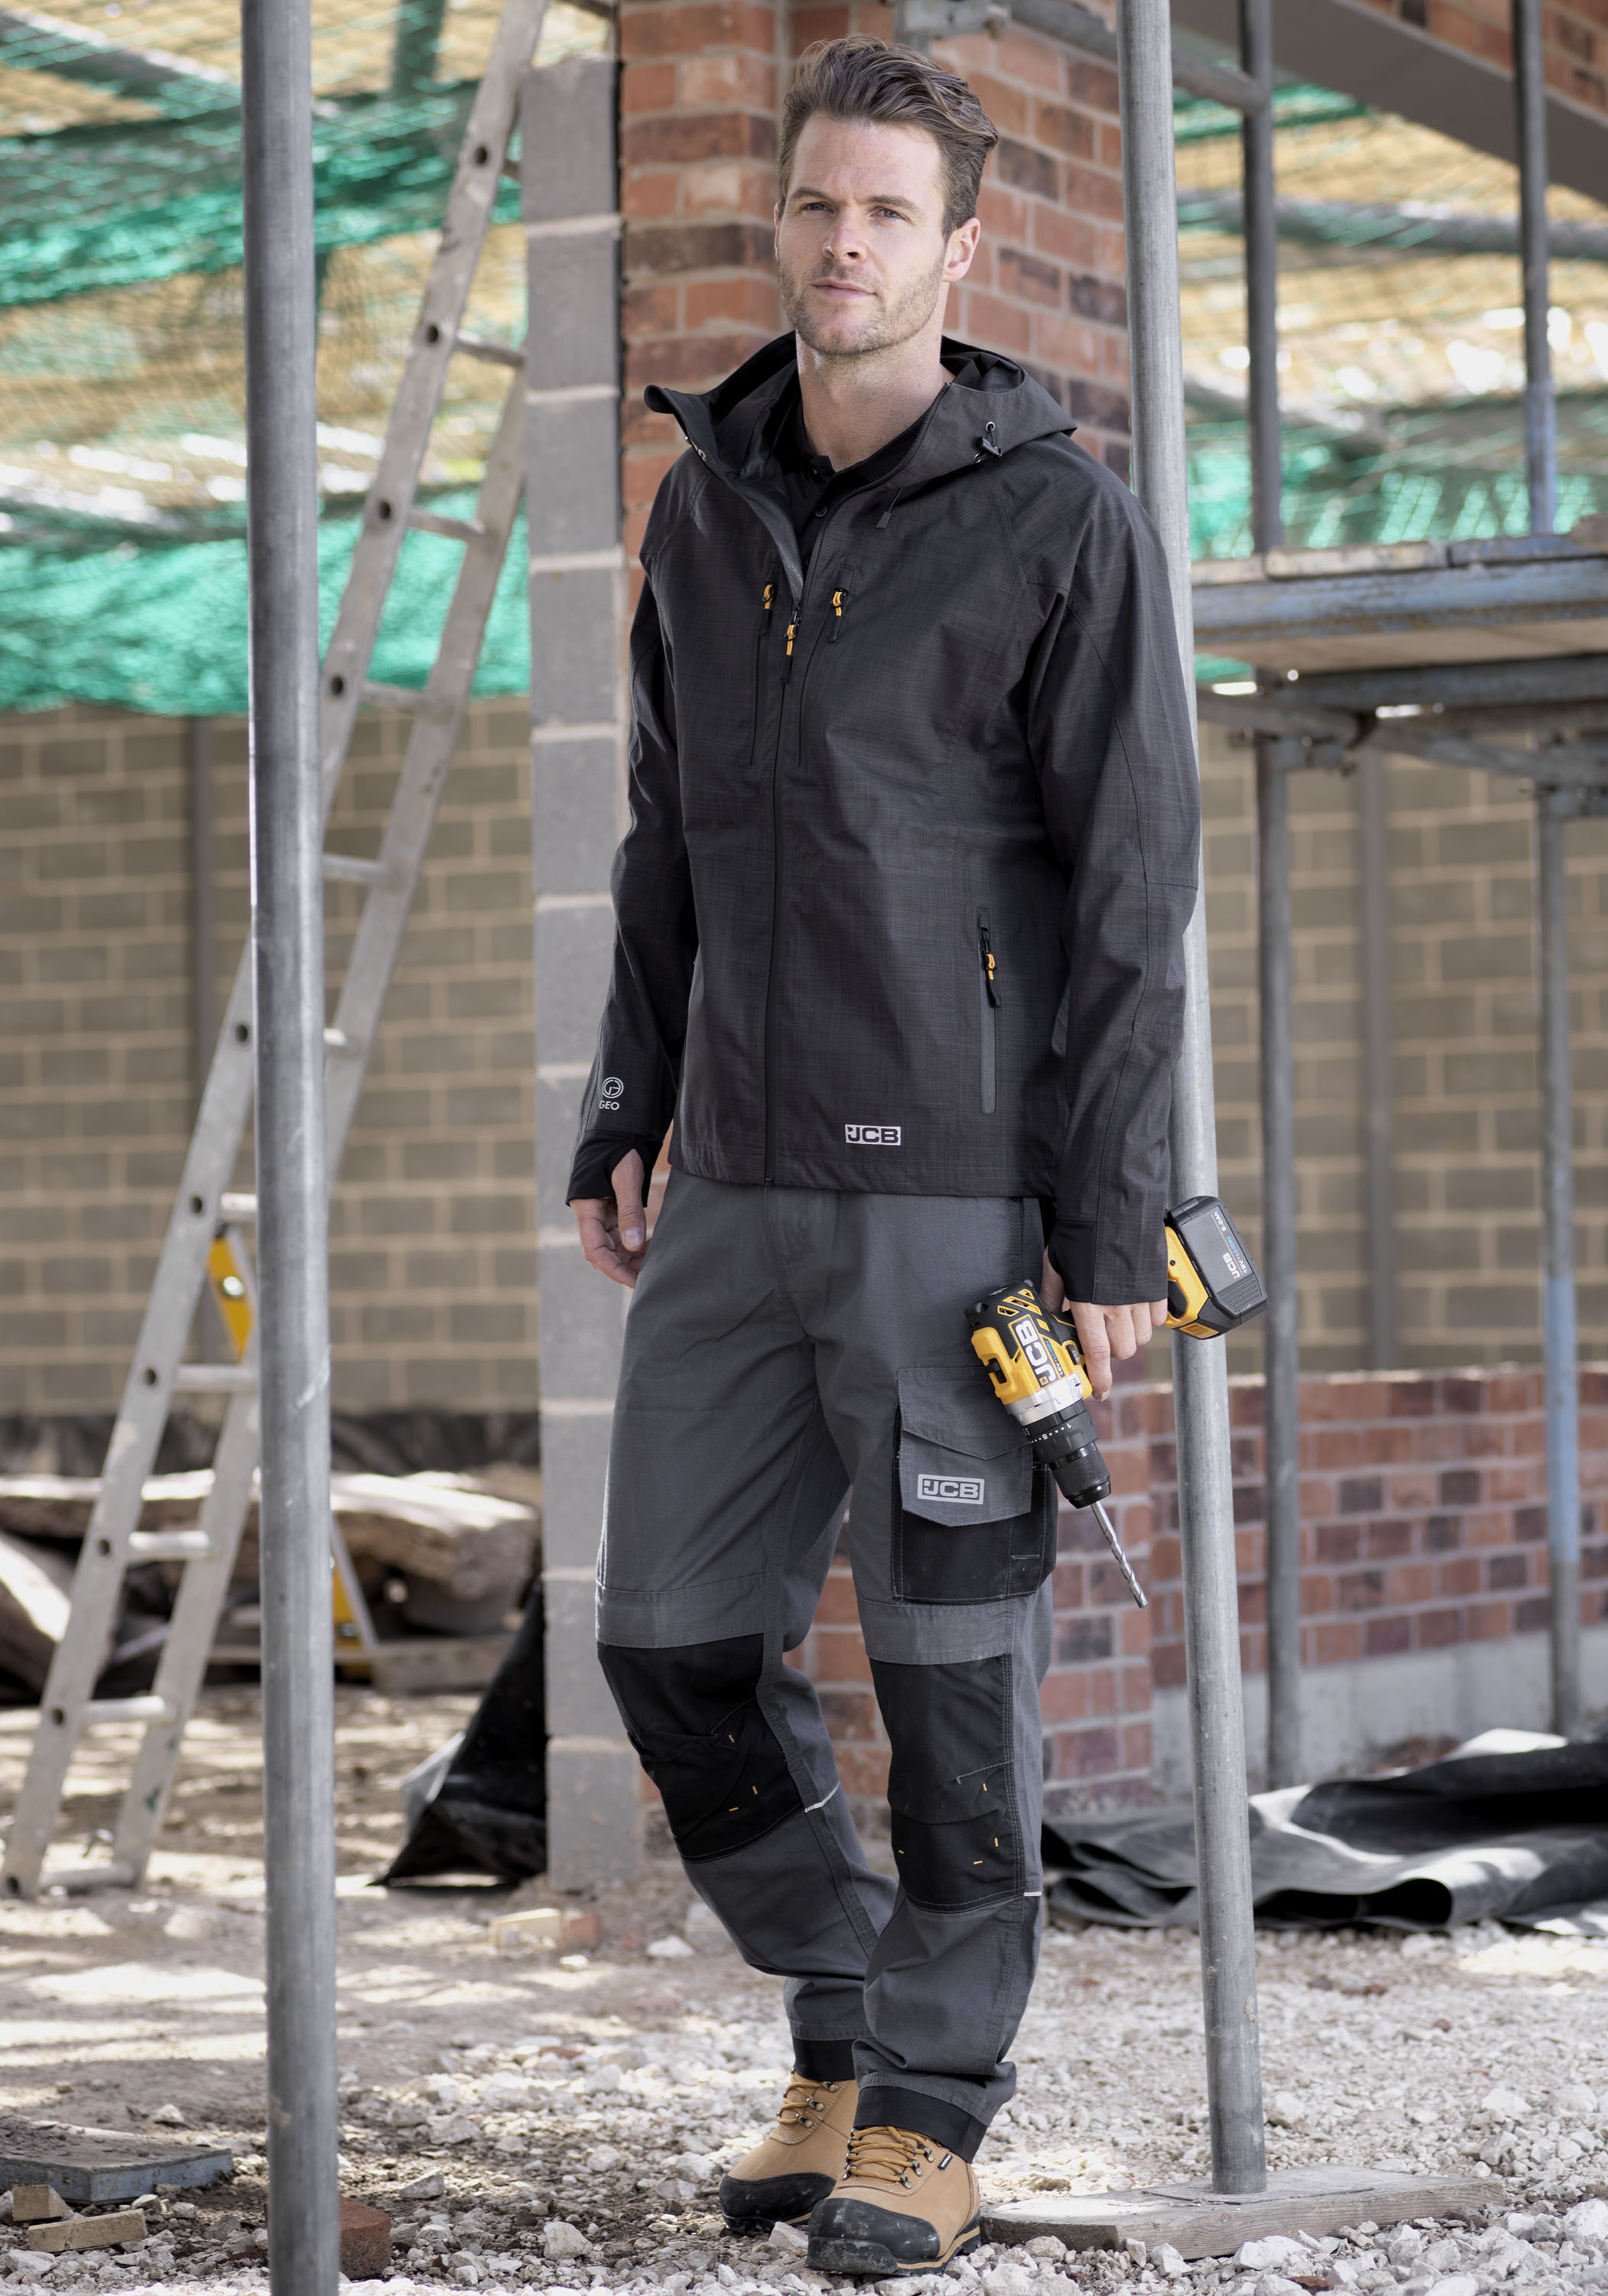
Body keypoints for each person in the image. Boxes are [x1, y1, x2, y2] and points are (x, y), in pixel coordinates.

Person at [568, 34, 1200, 2279]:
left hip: (953, 1187)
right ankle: (841, 2007)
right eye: (819, 204)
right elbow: (667, 840)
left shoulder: (1057, 522)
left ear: (961, 249)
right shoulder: (703, 505)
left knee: (950, 1673)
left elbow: (1131, 897)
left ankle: (929, 2108)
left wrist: (1110, 1218)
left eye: (889, 215)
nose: (845, 245)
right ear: (786, 221)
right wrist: (625, 1103)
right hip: (731, 1176)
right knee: (667, 1639)